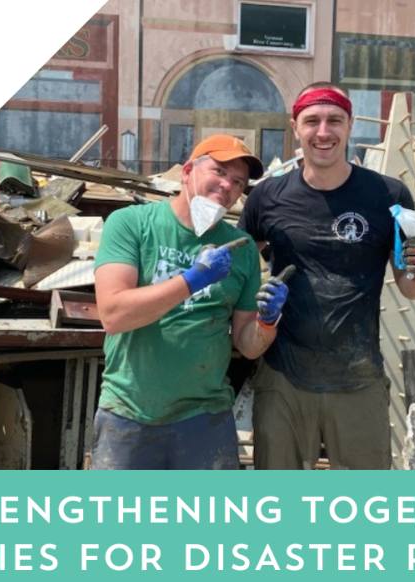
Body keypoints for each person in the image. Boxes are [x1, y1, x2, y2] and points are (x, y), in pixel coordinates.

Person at [238, 83, 415, 470]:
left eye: (334, 121)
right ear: (295, 127)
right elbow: (240, 268)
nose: (323, 132)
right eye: (312, 121)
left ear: (351, 125)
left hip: (359, 378)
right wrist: (255, 310)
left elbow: (412, 287)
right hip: (283, 379)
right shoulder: (268, 197)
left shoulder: (389, 195)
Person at [92, 134, 290, 470]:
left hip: (205, 419)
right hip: (129, 413)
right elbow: (113, 315)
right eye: (219, 171)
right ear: (187, 171)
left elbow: (248, 346)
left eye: (238, 181)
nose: (227, 184)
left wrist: (267, 322)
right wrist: (191, 281)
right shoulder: (131, 224)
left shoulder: (240, 247)